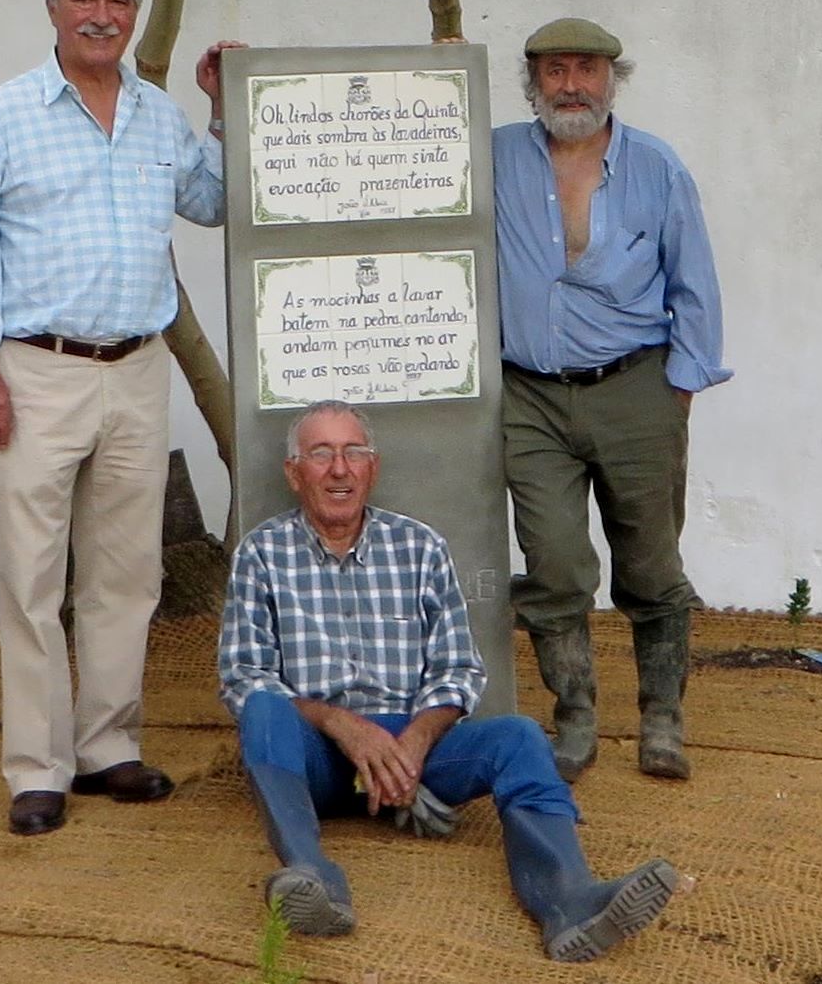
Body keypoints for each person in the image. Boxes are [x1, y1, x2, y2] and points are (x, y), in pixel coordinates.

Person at [0, 0, 242, 836]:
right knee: (31, 576)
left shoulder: (156, 115)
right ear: (54, 8)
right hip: (35, 371)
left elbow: (213, 202)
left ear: (134, 13)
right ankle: (38, 767)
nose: (102, 17)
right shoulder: (2, 115)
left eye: (118, 1)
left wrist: (221, 110)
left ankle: (109, 745)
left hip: (137, 370)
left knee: (126, 572)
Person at [218, 400, 679, 963]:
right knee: (263, 709)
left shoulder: (419, 546)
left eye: (354, 452)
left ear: (372, 467)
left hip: (415, 746)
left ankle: (569, 901)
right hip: (316, 756)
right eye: (321, 454)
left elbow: (460, 668)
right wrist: (343, 725)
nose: (340, 468)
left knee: (518, 737)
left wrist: (414, 742)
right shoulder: (261, 553)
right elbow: (243, 675)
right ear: (294, 473)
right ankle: (312, 879)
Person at [493, 18, 732, 783]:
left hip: (637, 388)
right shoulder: (493, 156)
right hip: (528, 397)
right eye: (555, 70)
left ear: (611, 80)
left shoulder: (656, 167)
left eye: (586, 69)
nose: (571, 85)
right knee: (555, 564)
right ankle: (575, 717)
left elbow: (694, 281)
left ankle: (662, 719)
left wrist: (680, 389)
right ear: (534, 82)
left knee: (651, 566)